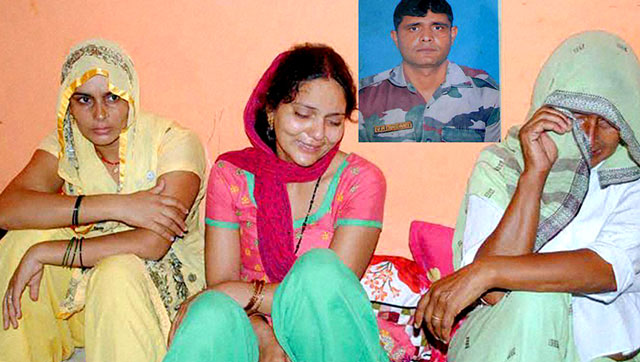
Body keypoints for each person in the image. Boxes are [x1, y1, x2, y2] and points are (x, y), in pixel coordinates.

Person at [414, 31, 640, 361]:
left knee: (539, 293)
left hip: (610, 354)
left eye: (608, 121)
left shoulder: (633, 176)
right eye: (578, 116)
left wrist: (488, 271)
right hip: (505, 342)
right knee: (536, 299)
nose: (590, 136)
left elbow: (607, 269)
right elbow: (493, 297)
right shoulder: (502, 165)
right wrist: (533, 175)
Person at [165, 44, 389, 362]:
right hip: (253, 334)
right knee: (211, 311)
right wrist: (267, 338)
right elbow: (222, 289)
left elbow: (323, 297)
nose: (317, 133)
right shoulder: (233, 175)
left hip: (330, 340)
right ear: (271, 109)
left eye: (334, 121)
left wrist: (241, 292)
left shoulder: (360, 180)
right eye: (302, 114)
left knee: (319, 270)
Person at [0, 39, 207, 361]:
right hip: (85, 282)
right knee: (20, 240)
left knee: (115, 270)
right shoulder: (66, 141)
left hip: (155, 284)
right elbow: (7, 209)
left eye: (112, 97)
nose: (99, 114)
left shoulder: (173, 140)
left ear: (131, 97)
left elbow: (154, 242)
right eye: (84, 100)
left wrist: (46, 252)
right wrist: (118, 205)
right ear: (68, 105)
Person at [358, 0, 500, 142]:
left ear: (453, 34)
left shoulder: (487, 94)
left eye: (438, 28)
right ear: (395, 37)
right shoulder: (363, 97)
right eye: (414, 28)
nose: (426, 37)